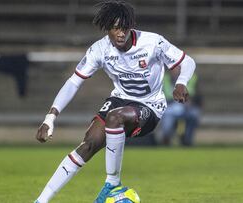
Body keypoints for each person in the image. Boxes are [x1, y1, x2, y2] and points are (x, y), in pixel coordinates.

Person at [34, 1, 196, 202]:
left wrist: (181, 82)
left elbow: (187, 62)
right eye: (115, 28)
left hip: (150, 105)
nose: (120, 33)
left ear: (131, 26)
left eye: (125, 28)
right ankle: (41, 200)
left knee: (114, 117)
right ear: (107, 28)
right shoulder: (100, 50)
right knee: (88, 144)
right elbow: (73, 82)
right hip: (119, 99)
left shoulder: (153, 42)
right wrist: (50, 117)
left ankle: (112, 183)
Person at [161, 70, 203, 146]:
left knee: (195, 114)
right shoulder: (165, 78)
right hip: (170, 106)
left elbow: (198, 97)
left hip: (188, 108)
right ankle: (166, 139)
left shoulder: (192, 78)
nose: (175, 70)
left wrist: (191, 101)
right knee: (167, 118)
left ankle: (187, 139)